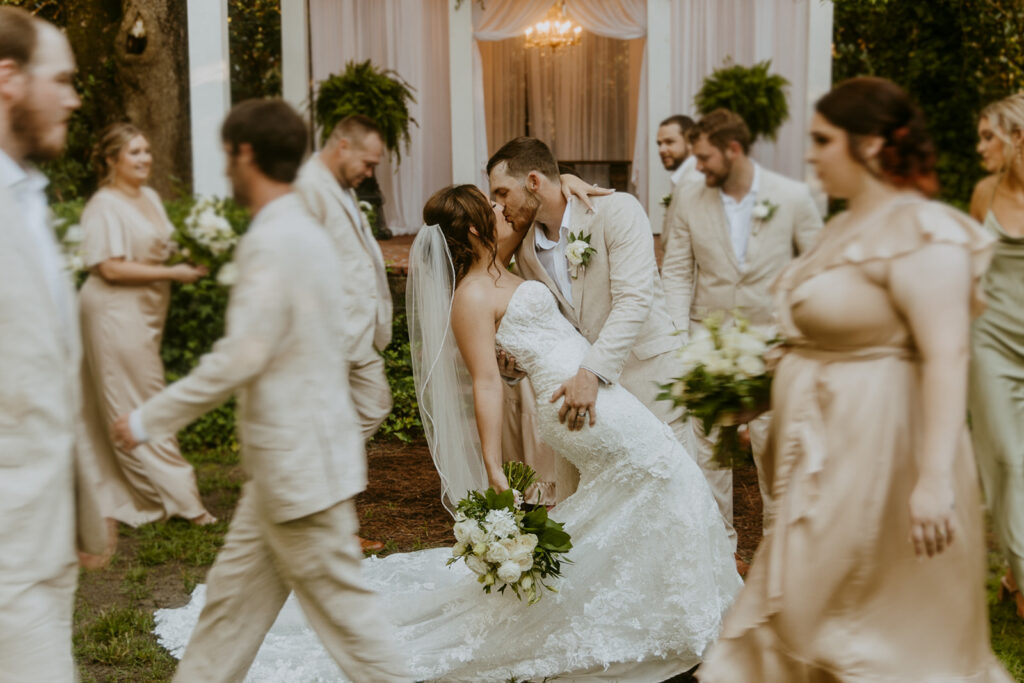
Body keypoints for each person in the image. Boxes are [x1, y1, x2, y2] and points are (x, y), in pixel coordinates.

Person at [153, 184, 742, 681]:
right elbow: (486, 383)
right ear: (477, 231)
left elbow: (539, 200)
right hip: (573, 406)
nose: (501, 207)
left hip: (600, 390)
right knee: (668, 475)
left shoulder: (502, 260)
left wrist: (570, 182)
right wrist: (490, 465)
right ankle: (678, 617)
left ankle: (662, 608)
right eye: (491, 206)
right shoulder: (471, 295)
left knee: (649, 487)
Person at [697, 77, 1011, 682]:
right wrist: (752, 392)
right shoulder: (838, 230)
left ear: (869, 145)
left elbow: (946, 355)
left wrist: (934, 481)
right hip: (820, 459)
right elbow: (811, 336)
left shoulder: (924, 231)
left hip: (886, 461)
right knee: (801, 617)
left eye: (822, 139)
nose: (810, 153)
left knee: (864, 636)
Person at [111, 99, 411, 683]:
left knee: (356, 634)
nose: (225, 169)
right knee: (227, 610)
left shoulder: (276, 238)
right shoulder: (301, 227)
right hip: (285, 469)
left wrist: (150, 419)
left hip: (300, 473)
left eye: (226, 155)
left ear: (244, 153)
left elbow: (242, 357)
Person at [0, 7, 110, 679]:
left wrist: (79, 502)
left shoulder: (27, 196)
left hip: (42, 537)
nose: (74, 96)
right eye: (62, 79)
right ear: (7, 78)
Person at [660, 109, 823, 550]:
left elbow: (818, 272)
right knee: (709, 455)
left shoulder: (791, 197)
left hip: (772, 349)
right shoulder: (690, 198)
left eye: (706, 157)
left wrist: (798, 340)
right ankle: (721, 552)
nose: (698, 166)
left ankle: (778, 550)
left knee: (775, 455)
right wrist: (680, 341)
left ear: (733, 150)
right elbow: (676, 271)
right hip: (706, 345)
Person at [79, 122, 214, 526]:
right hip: (112, 311)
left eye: (146, 151)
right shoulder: (103, 206)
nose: (144, 159)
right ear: (111, 160)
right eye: (134, 152)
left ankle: (149, 489)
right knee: (142, 401)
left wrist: (204, 248)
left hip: (145, 312)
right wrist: (174, 274)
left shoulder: (150, 196)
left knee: (139, 397)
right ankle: (183, 501)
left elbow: (161, 246)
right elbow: (110, 268)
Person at [294, 114, 392, 552]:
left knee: (374, 405)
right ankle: (335, 528)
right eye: (368, 163)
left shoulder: (343, 188)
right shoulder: (307, 187)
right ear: (343, 146)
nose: (370, 173)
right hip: (327, 334)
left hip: (359, 332)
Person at [968, 91, 1024, 620]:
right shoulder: (984, 195)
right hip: (989, 347)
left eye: (989, 136)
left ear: (1017, 137)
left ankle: (1011, 573)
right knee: (1008, 461)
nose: (980, 146)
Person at [657, 113, 700, 231]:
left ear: (691, 142)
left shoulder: (697, 180)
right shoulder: (684, 178)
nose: (662, 150)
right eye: (659, 144)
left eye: (669, 142)